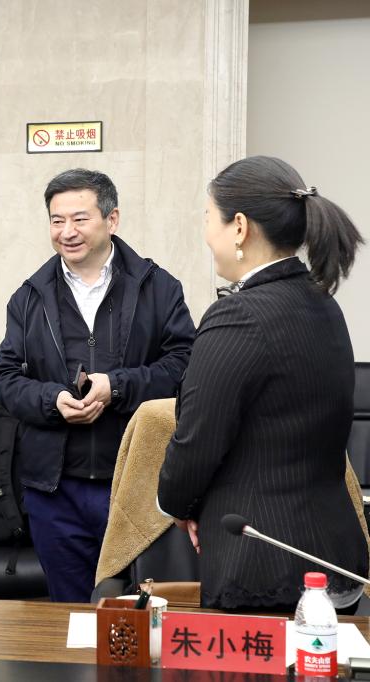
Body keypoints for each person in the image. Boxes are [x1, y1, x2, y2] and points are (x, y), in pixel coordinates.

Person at [158, 156, 367, 611]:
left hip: (264, 563)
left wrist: (177, 504)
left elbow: (197, 439)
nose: (205, 233)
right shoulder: (322, 302)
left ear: (239, 227)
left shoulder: (238, 316)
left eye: (208, 218)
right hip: (333, 558)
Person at [0, 168, 195, 602]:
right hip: (55, 491)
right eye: (57, 220)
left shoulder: (158, 288)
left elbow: (185, 366)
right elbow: (5, 379)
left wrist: (117, 387)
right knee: (68, 611)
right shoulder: (28, 297)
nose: (67, 232)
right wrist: (52, 400)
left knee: (138, 612)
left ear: (111, 219)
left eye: (80, 219)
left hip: (135, 487)